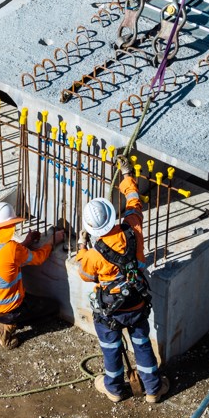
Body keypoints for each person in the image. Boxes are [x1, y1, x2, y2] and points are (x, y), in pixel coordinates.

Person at [75, 156, 169, 404]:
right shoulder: (132, 228)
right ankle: (152, 389)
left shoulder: (93, 255)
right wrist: (127, 176)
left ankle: (115, 389)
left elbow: (85, 275)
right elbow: (134, 202)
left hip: (110, 311)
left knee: (111, 349)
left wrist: (82, 247)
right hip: (137, 303)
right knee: (142, 344)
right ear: (111, 215)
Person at [0, 203, 65, 349]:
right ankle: (6, 328)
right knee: (53, 308)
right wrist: (52, 241)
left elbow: (3, 257)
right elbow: (38, 258)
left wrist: (26, 243)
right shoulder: (11, 249)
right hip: (7, 309)